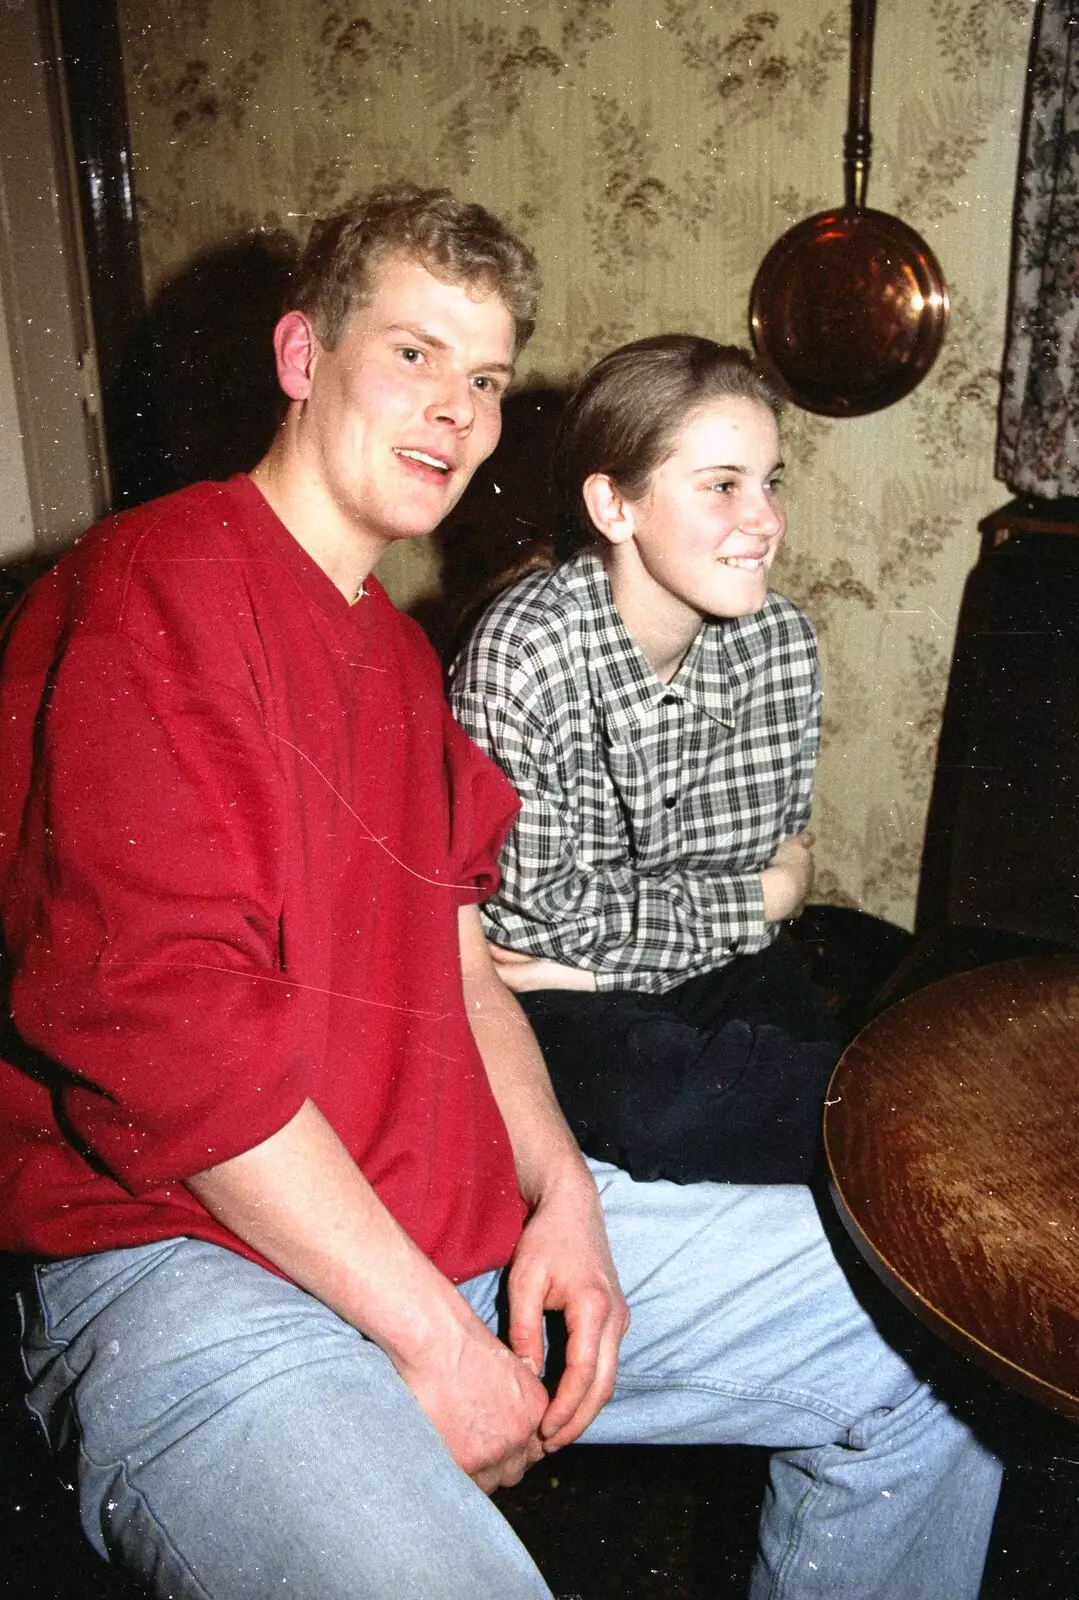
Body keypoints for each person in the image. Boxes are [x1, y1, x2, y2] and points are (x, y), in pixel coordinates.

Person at [0, 184, 1000, 1600]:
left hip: (438, 1223)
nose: (455, 411)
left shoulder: (406, 667)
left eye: (481, 375)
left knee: (931, 1350)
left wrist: (565, 1203)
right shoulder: (150, 588)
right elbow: (170, 1040)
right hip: (187, 1258)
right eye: (411, 354)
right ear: (301, 358)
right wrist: (427, 1337)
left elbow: (464, 967)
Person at [450, 337, 841, 1186]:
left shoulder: (781, 646)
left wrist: (585, 959)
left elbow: (583, 930)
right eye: (722, 486)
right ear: (614, 506)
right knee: (669, 1106)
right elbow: (532, 922)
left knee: (852, 1095)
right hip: (548, 999)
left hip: (684, 962)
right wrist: (763, 899)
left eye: (770, 482)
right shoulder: (522, 655)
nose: (766, 520)